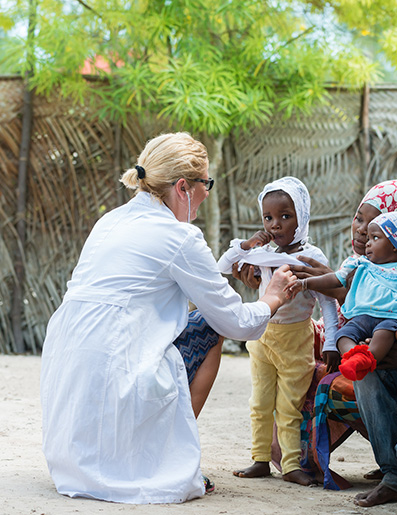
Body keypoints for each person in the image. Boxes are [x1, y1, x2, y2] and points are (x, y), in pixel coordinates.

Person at [40, 132, 295, 505]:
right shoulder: (179, 237)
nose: (207, 193)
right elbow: (235, 322)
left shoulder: (110, 221)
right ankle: (165, 458)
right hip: (115, 374)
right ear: (183, 187)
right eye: (205, 183)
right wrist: (272, 298)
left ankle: (135, 449)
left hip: (68, 394)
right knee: (209, 326)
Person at [233, 178, 397, 502]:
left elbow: (368, 311)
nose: (361, 231)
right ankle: (394, 470)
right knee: (353, 365)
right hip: (365, 358)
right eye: (359, 219)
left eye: (376, 225)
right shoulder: (362, 267)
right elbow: (344, 314)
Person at [218, 177, 338, 486]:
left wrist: (332, 342)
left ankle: (290, 465)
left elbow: (327, 302)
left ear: (302, 216)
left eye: (285, 216)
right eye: (268, 217)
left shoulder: (311, 258)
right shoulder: (262, 253)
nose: (275, 224)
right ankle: (260, 459)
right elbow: (222, 266)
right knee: (259, 403)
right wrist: (246, 246)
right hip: (262, 337)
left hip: (296, 341)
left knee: (289, 406)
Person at [286, 210, 397, 381]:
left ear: (396, 245)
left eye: (375, 238)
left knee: (384, 334)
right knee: (343, 335)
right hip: (362, 317)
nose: (368, 243)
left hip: (393, 317)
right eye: (369, 238)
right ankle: (354, 358)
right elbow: (335, 279)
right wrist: (306, 283)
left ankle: (368, 359)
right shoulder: (360, 263)